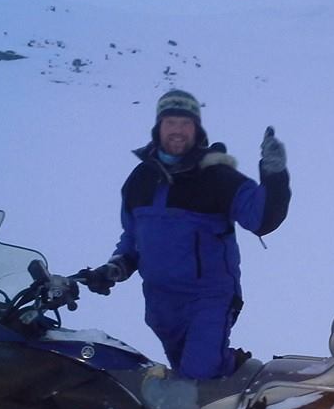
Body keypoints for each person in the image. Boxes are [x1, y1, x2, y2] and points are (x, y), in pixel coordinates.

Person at [87, 89, 290, 383]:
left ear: (197, 129)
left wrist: (274, 174)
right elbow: (132, 236)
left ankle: (240, 379)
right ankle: (225, 386)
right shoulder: (140, 179)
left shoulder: (217, 176)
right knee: (185, 380)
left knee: (199, 375)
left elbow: (261, 219)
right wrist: (116, 266)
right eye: (171, 122)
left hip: (209, 298)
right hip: (160, 303)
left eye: (186, 123)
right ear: (158, 127)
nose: (178, 130)